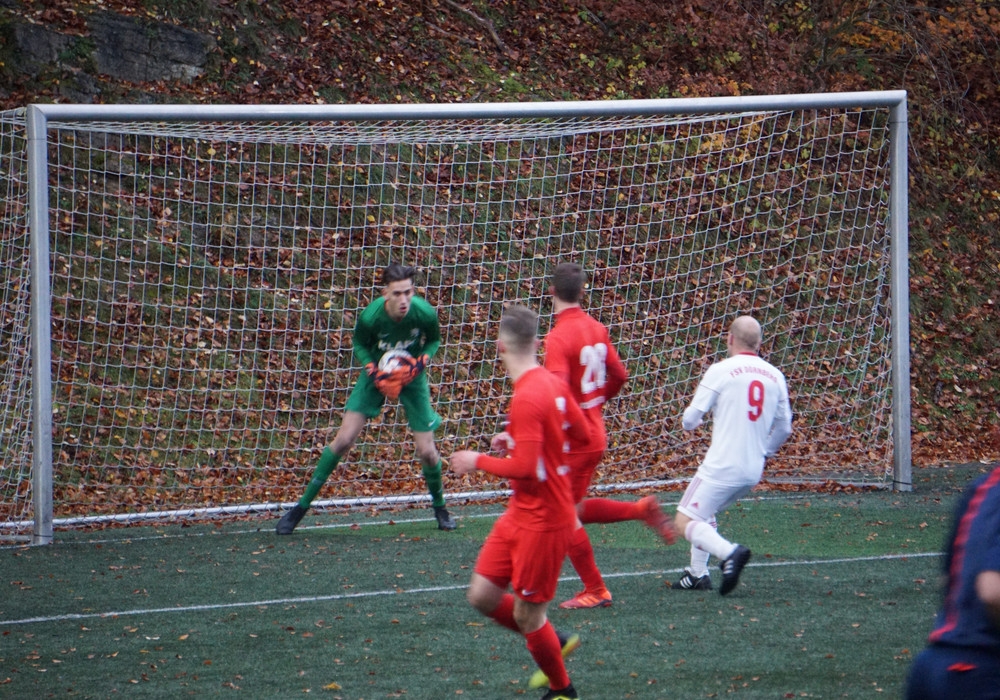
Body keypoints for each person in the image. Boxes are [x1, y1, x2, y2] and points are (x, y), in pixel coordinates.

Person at [450, 304, 594, 700]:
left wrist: (476, 460)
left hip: (545, 521)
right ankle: (551, 639)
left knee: (527, 615)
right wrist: (517, 438)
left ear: (498, 346)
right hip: (521, 513)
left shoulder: (528, 396)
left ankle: (563, 690)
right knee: (482, 595)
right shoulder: (550, 384)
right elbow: (580, 436)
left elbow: (529, 467)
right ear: (537, 342)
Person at [275, 263, 457, 534]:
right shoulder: (371, 317)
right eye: (397, 294)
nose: (404, 300)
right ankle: (299, 509)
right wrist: (372, 371)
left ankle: (441, 508)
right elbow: (359, 343)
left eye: (408, 292)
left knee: (428, 452)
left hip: (412, 377)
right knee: (344, 439)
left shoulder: (424, 313)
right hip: (376, 375)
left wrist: (421, 363)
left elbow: (434, 341)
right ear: (385, 293)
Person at [543, 262, 676, 610]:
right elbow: (619, 374)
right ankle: (640, 509)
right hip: (595, 433)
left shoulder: (557, 337)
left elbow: (555, 391)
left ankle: (596, 588)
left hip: (574, 439)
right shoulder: (597, 329)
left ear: (552, 292)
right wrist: (594, 404)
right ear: (582, 292)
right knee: (571, 509)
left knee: (561, 515)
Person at [671, 315, 792, 595]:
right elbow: (785, 427)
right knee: (704, 511)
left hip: (722, 465)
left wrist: (691, 423)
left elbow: (690, 419)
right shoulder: (775, 375)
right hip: (752, 470)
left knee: (684, 520)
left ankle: (730, 553)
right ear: (759, 343)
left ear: (729, 339)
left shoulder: (721, 370)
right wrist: (764, 450)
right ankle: (697, 574)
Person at [904, 465, 1000, 700]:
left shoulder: (982, 488)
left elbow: (947, 579)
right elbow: (992, 591)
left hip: (932, 666)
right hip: (979, 672)